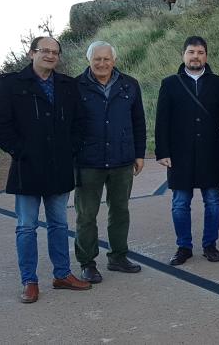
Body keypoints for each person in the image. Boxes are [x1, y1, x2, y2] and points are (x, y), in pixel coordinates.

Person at [0, 36, 92, 303]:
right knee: (26, 227)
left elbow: (81, 123)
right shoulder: (11, 84)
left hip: (59, 167)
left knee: (59, 224)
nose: (50, 55)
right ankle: (29, 281)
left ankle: (62, 274)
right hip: (27, 168)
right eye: (45, 50)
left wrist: (71, 148)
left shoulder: (68, 85)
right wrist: (19, 151)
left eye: (55, 52)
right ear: (31, 53)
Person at [74, 41, 146, 283]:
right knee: (86, 215)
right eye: (97, 59)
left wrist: (139, 154)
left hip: (122, 160)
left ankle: (118, 257)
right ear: (89, 60)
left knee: (120, 211)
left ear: (114, 61)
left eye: (106, 59)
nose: (102, 63)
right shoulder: (76, 87)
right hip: (88, 162)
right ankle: (87, 263)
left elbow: (138, 122)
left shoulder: (129, 85)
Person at [155, 36, 219, 266]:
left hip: (210, 151)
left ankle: (210, 245)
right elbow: (162, 121)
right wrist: (162, 151)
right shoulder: (170, 83)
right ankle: (183, 247)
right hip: (180, 153)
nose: (195, 56)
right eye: (191, 52)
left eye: (199, 52)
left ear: (206, 55)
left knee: (213, 200)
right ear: (183, 55)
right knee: (180, 202)